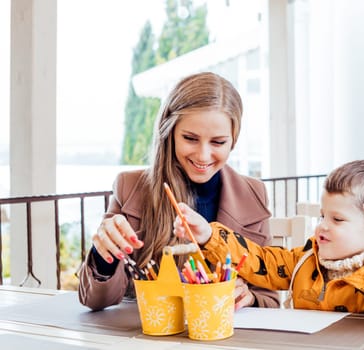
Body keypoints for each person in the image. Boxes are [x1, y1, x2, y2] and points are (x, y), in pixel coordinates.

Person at [78, 72, 280, 311]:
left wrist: (251, 298)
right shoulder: (129, 188)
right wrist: (104, 256)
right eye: (190, 138)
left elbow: (270, 299)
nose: (203, 155)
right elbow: (94, 301)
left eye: (218, 142)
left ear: (233, 141)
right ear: (169, 132)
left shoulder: (254, 193)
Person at [174, 159, 364, 325]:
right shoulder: (305, 260)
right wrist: (208, 235)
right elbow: (260, 261)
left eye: (337, 219)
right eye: (323, 215)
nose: (322, 225)